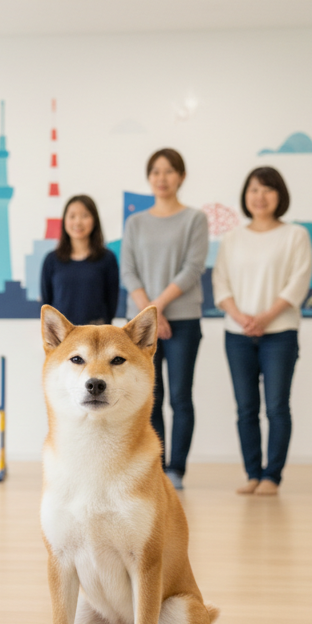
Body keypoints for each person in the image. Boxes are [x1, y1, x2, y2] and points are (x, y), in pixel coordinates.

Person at [212, 167, 312, 497]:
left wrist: (265, 317)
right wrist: (241, 317)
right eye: (254, 190)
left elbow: (298, 282)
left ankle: (273, 476)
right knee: (245, 409)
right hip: (236, 333)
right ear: (245, 196)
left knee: (276, 407)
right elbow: (220, 282)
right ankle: (253, 474)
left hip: (280, 332)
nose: (260, 196)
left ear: (280, 195)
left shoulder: (295, 235)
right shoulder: (232, 238)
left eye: (268, 190)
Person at [120, 148, 209, 491]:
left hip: (182, 319)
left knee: (180, 397)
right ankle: (153, 466)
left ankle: (177, 470)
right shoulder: (136, 222)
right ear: (149, 177)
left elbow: (193, 268)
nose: (162, 177)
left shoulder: (194, 219)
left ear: (181, 177)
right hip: (138, 327)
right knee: (147, 394)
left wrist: (155, 310)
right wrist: (149, 316)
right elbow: (128, 270)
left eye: (169, 171)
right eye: (155, 171)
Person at [40, 194, 119, 326]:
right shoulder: (52, 260)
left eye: (85, 215)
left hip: (96, 331)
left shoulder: (107, 258)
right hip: (62, 334)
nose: (78, 222)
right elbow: (46, 301)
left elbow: (112, 302)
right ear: (64, 221)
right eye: (72, 216)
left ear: (94, 220)